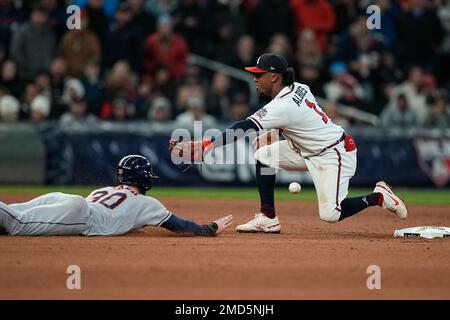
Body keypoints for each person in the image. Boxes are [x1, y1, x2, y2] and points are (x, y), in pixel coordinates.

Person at [170, 53, 407, 233]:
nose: (255, 79)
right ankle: (268, 217)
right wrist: (275, 131)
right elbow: (300, 121)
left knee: (331, 214)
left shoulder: (282, 105)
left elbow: (243, 127)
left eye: (259, 74)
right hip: (307, 149)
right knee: (264, 155)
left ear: (274, 76)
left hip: (333, 153)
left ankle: (378, 196)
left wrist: (206, 145)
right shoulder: (298, 87)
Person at [0, 155, 233, 236]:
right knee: (17, 224)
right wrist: (209, 229)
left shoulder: (106, 189)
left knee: (16, 211)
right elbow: (179, 225)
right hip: (81, 214)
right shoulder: (146, 202)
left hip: (64, 197)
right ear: (143, 178)